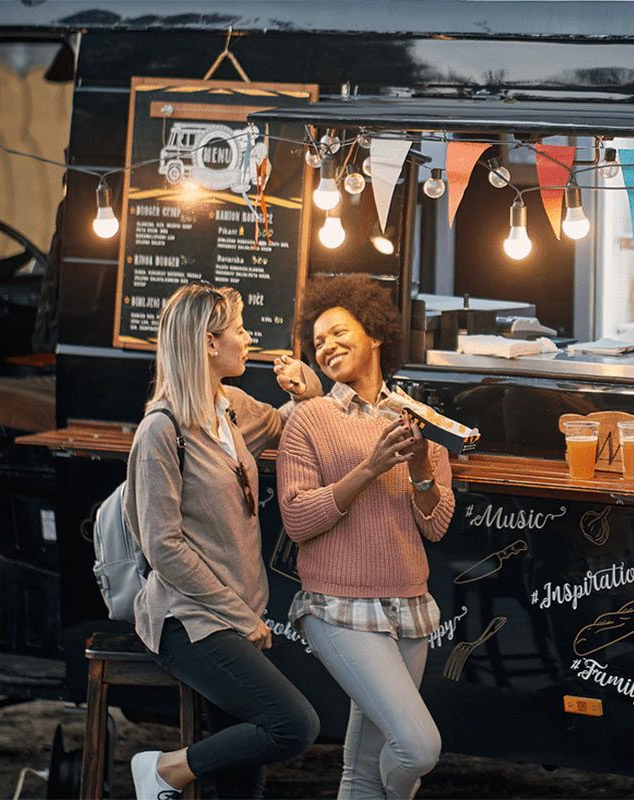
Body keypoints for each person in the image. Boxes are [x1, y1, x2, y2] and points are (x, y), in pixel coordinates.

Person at [124, 283, 324, 800]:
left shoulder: (228, 407)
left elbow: (286, 428)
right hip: (188, 620)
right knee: (292, 725)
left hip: (237, 613)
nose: (248, 338)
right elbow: (163, 547)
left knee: (243, 781)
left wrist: (309, 393)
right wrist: (239, 617)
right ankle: (164, 770)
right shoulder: (160, 432)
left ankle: (171, 773)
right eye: (238, 329)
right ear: (209, 344)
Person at [277, 275, 455, 800]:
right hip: (338, 608)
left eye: (337, 332)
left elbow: (435, 524)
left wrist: (423, 468)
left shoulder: (417, 419)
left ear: (374, 333)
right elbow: (298, 518)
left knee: (363, 769)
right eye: (318, 342)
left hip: (409, 607)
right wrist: (370, 468)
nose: (326, 347)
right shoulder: (308, 420)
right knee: (418, 749)